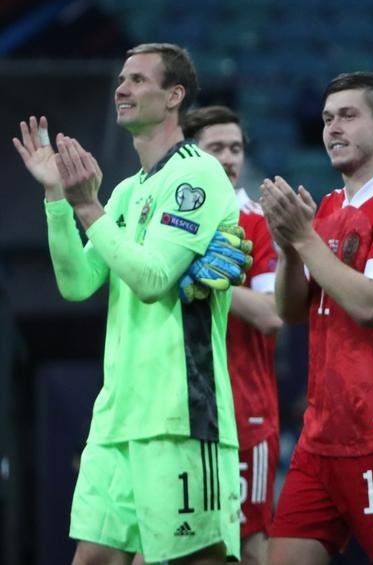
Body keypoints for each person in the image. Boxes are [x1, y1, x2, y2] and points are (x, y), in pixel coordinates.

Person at [12, 43, 249, 564]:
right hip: (118, 419)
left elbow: (152, 278)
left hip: (181, 416)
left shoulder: (198, 175)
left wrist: (88, 207)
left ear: (174, 97)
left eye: (138, 80)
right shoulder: (125, 193)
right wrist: (57, 198)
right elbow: (76, 283)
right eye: (121, 78)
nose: (122, 88)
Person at [260, 72, 373, 564]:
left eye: (347, 116)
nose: (332, 129)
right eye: (326, 118)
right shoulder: (328, 207)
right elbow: (290, 310)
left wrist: (304, 241)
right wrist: (287, 250)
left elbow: (370, 304)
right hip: (321, 434)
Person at [183, 105, 283, 565]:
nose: (228, 158)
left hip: (244, 411)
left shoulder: (257, 222)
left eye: (236, 148)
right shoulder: (169, 222)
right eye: (215, 148)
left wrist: (208, 276)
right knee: (172, 543)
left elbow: (272, 314)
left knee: (247, 546)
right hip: (176, 412)